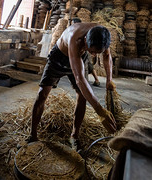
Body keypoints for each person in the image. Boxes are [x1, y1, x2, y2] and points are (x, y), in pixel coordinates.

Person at [29, 22, 117, 150]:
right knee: (42, 94)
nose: (93, 55)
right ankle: (32, 135)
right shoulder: (75, 38)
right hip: (60, 56)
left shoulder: (101, 35)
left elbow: (107, 55)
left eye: (96, 53)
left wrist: (109, 80)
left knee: (82, 97)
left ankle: (74, 136)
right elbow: (79, 79)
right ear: (86, 39)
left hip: (81, 56)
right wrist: (99, 110)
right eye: (92, 51)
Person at [71, 18, 101, 87]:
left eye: (73, 24)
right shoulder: (75, 30)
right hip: (83, 50)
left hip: (85, 51)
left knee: (87, 66)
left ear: (77, 24)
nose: (72, 25)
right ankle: (91, 80)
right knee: (88, 66)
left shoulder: (81, 31)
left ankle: (88, 81)